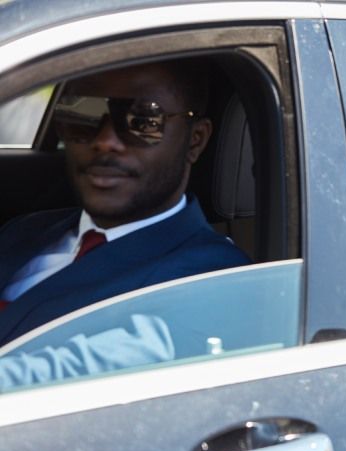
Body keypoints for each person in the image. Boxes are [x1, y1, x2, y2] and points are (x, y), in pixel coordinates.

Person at [0, 60, 250, 352]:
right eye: (83, 114)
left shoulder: (211, 279)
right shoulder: (25, 230)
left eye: (144, 120)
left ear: (195, 141)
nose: (105, 142)